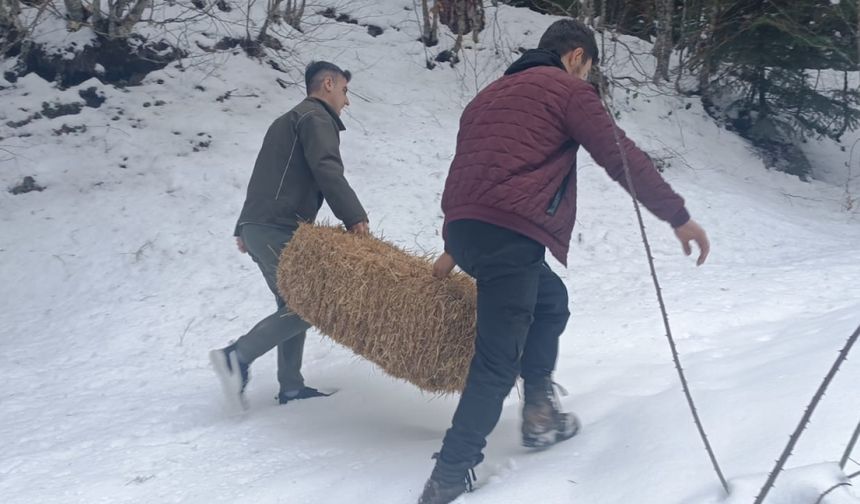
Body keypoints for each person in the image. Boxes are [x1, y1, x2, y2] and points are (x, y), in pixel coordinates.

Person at [419, 19, 710, 504]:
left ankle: (538, 411)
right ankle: (450, 473)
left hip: (469, 229)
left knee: (551, 301)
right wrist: (677, 216)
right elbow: (620, 155)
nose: (585, 80)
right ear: (576, 56)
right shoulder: (563, 90)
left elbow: (480, 175)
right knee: (495, 359)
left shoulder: (488, 96)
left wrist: (455, 247)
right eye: (587, 70)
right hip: (509, 237)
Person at [210, 61, 369, 408]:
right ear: (328, 84)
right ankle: (237, 356)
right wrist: (354, 216)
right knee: (313, 305)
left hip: (261, 225)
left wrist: (245, 224)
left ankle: (292, 387)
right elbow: (326, 168)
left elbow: (262, 174)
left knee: (293, 304)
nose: (347, 100)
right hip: (277, 226)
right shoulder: (315, 117)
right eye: (344, 90)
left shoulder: (287, 120)